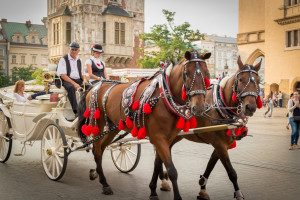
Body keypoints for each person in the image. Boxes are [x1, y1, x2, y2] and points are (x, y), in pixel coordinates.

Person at [57, 42, 87, 114]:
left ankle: (86, 107)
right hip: (66, 80)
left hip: (78, 79)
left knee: (90, 86)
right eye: (72, 49)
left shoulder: (79, 60)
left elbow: (82, 74)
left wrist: (85, 80)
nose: (73, 51)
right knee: (71, 87)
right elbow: (63, 75)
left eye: (75, 50)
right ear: (69, 49)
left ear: (78, 51)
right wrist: (74, 84)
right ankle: (76, 110)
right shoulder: (63, 59)